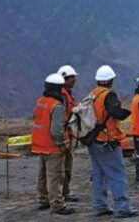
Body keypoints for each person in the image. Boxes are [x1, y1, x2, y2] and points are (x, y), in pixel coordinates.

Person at [87, 65, 138, 218]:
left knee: (98, 174)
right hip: (107, 140)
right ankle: (122, 207)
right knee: (117, 173)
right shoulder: (109, 96)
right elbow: (115, 112)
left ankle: (99, 206)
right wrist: (127, 112)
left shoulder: (93, 94)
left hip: (93, 140)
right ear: (110, 80)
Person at [31, 73, 75, 215]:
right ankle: (56, 204)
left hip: (39, 144)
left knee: (42, 174)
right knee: (54, 175)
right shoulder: (57, 106)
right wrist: (62, 144)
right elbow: (56, 130)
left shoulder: (40, 101)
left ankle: (43, 200)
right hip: (52, 146)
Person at [57, 64, 79, 203]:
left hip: (68, 134)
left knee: (67, 165)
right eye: (71, 77)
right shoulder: (62, 96)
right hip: (64, 135)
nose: (74, 80)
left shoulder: (67, 94)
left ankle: (65, 191)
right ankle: (62, 193)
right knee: (63, 166)